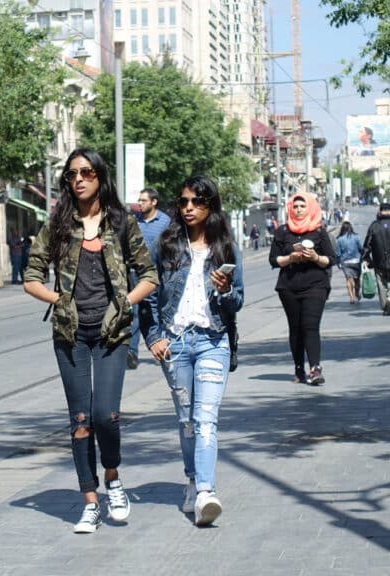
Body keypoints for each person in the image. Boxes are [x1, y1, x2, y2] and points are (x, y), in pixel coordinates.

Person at [23, 148, 157, 534]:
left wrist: (124, 304)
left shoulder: (121, 223)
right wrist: (59, 300)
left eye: (86, 172)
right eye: (72, 174)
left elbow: (148, 276)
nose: (78, 179)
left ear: (100, 176)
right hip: (70, 336)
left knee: (105, 416)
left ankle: (113, 478)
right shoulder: (58, 225)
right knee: (81, 422)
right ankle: (90, 501)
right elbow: (31, 277)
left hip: (112, 334)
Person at [141, 175, 243, 526]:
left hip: (213, 340)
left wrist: (227, 290)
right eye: (183, 201)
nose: (188, 208)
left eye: (196, 202)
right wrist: (154, 336)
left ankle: (205, 492)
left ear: (210, 206)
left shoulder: (225, 247)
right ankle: (192, 479)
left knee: (206, 419)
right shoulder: (166, 245)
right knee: (187, 421)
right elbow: (149, 295)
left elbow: (237, 301)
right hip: (176, 343)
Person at [269, 193, 336, 385]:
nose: (298, 210)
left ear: (311, 208)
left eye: (302, 206)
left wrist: (314, 257)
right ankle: (299, 367)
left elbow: (330, 260)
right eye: (295, 206)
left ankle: (315, 368)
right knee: (296, 328)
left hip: (316, 285)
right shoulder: (283, 232)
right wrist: (292, 257)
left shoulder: (320, 232)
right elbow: (274, 260)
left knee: (310, 326)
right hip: (289, 286)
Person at [128, 187, 171, 370]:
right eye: (139, 200)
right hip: (136, 274)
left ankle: (160, 344)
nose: (140, 203)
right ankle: (131, 352)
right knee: (135, 310)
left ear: (154, 202)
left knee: (157, 310)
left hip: (157, 274)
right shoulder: (134, 221)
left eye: (144, 200)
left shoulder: (165, 221)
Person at [335, 221, 363, 304]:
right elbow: (361, 248)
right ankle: (357, 295)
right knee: (357, 280)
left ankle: (351, 297)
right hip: (356, 261)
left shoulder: (339, 239)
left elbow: (338, 253)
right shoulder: (356, 237)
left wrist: (338, 263)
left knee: (348, 280)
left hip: (345, 262)